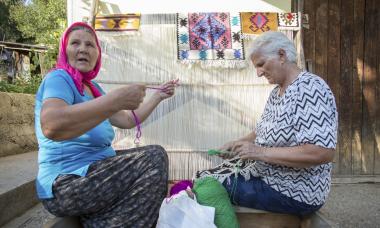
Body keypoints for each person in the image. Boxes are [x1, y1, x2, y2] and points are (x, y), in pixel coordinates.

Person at [35, 22, 177, 227]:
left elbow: (128, 120)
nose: (83, 48)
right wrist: (115, 100)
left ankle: (104, 221)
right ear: (65, 51)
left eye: (90, 45)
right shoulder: (59, 78)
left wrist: (158, 96)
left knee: (155, 154)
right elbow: (51, 125)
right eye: (75, 43)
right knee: (153, 158)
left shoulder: (94, 89)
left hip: (93, 172)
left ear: (97, 54)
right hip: (65, 185)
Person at [196, 31, 338, 216]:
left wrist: (259, 152)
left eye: (261, 64)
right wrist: (238, 143)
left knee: (206, 186)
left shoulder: (310, 89)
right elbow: (261, 130)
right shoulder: (278, 92)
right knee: (202, 177)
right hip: (266, 176)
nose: (258, 73)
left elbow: (321, 152)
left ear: (282, 55)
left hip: (295, 191)